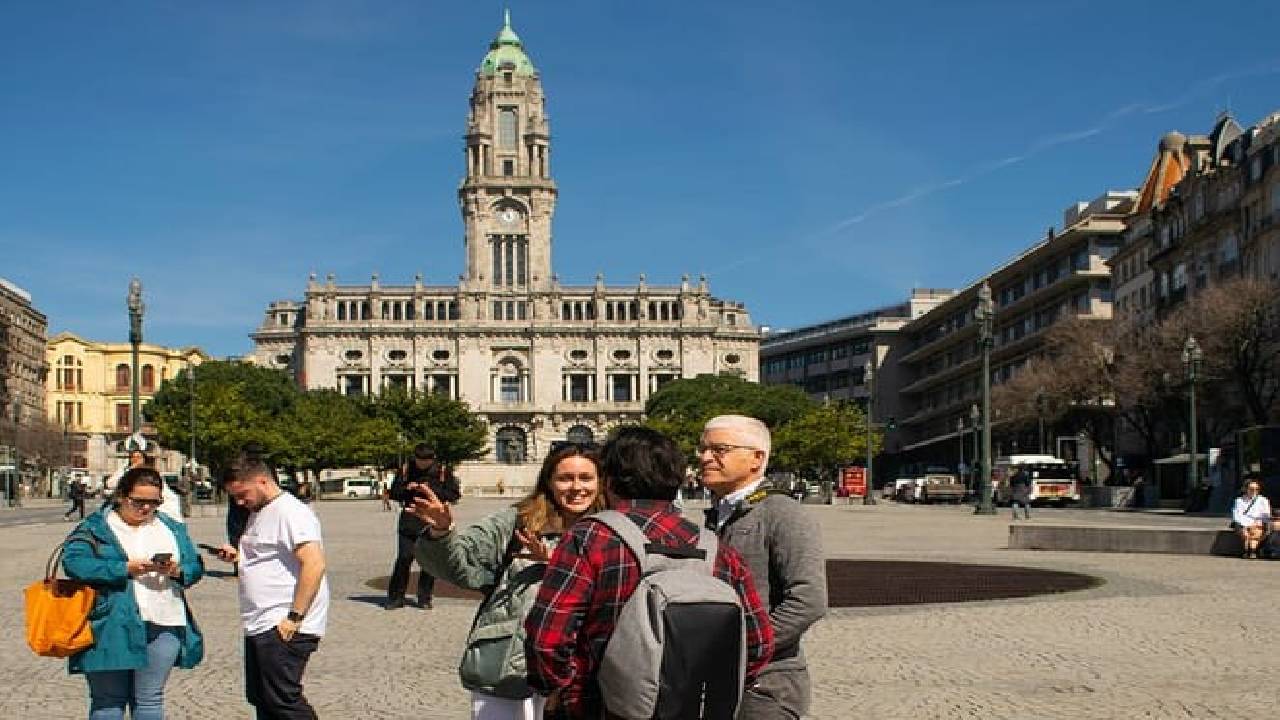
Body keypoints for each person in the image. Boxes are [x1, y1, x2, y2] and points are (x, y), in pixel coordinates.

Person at [525, 426, 773, 719]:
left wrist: (560, 690)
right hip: (691, 708)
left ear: (610, 479)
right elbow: (759, 641)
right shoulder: (717, 549)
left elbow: (548, 637)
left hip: (600, 706)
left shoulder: (591, 537)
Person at [411, 443, 606, 720]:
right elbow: (459, 567)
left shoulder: (611, 529)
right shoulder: (517, 522)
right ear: (548, 482)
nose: (576, 487)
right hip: (511, 664)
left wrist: (556, 563)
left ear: (601, 482)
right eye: (565, 478)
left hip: (582, 669)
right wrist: (441, 532)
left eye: (586, 478)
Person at [699, 415, 828, 720]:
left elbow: (809, 600)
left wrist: (749, 645)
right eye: (703, 449)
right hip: (723, 680)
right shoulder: (717, 514)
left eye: (720, 449)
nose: (705, 458)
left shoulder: (783, 513)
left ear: (756, 458)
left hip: (768, 685)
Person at [62, 466, 205, 719]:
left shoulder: (170, 527)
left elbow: (195, 566)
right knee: (108, 702)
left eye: (154, 502)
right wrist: (123, 568)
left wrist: (178, 570)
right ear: (120, 496)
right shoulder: (97, 527)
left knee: (150, 699)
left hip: (164, 621)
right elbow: (74, 563)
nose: (147, 509)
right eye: (139, 502)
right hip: (110, 623)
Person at [214, 452, 330, 719]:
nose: (240, 502)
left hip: (282, 623)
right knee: (261, 698)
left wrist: (293, 618)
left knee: (283, 701)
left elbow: (314, 564)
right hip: (259, 620)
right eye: (235, 497)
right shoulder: (260, 511)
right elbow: (272, 558)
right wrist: (239, 558)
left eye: (243, 494)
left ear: (262, 481)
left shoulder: (291, 512)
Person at [386, 443, 461, 610]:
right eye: (419, 460)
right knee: (404, 558)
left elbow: (454, 494)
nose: (422, 464)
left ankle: (424, 597)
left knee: (429, 562)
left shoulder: (442, 472)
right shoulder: (406, 470)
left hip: (432, 521)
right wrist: (408, 489)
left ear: (432, 459)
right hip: (409, 520)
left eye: (426, 460)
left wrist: (429, 491)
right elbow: (394, 493)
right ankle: (396, 597)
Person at [1232, 477, 1271, 559]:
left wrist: (1256, 523)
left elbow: (1266, 515)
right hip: (1243, 524)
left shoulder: (1263, 500)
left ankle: (1251, 551)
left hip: (1257, 524)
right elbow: (1237, 515)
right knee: (1245, 533)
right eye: (1252, 489)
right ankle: (1250, 551)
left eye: (1256, 489)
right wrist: (1247, 525)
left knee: (1255, 533)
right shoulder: (1239, 500)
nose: (1254, 491)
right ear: (1246, 489)